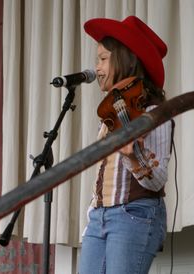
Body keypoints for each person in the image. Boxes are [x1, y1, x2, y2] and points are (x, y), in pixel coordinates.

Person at [79, 16, 173, 274]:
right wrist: (92, 215)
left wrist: (133, 158)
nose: (96, 67)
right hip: (100, 218)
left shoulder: (153, 111)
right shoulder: (112, 114)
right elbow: (103, 175)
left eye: (102, 59)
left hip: (134, 215)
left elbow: (157, 181)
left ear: (124, 59)